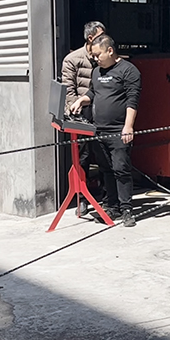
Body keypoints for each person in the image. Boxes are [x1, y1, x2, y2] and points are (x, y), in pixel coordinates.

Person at [69, 34, 141, 227]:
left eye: (98, 54)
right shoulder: (96, 72)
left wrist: (128, 126)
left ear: (110, 50)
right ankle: (112, 206)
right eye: (92, 55)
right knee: (106, 169)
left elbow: (132, 100)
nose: (95, 58)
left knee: (121, 169)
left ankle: (127, 209)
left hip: (119, 130)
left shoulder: (128, 71)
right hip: (99, 130)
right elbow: (93, 92)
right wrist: (80, 100)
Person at [61, 21, 106, 215]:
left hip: (103, 112)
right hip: (83, 113)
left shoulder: (106, 57)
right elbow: (69, 90)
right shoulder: (73, 60)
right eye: (100, 35)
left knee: (106, 154)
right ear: (90, 38)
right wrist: (75, 112)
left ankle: (107, 195)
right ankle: (82, 198)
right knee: (83, 156)